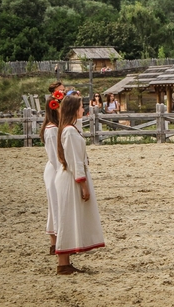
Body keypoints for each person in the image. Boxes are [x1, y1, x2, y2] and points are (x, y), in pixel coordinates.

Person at [54, 94, 105, 274]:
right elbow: (75, 161)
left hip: (70, 177)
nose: (84, 109)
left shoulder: (70, 129)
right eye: (81, 107)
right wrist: (83, 185)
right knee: (67, 219)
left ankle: (65, 261)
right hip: (70, 180)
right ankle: (62, 263)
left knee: (68, 218)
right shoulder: (69, 131)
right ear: (74, 110)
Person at [40, 84, 64, 255]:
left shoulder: (55, 127)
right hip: (55, 169)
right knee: (56, 207)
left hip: (55, 168)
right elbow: (55, 156)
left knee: (55, 207)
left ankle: (54, 243)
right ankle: (58, 244)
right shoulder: (51, 130)